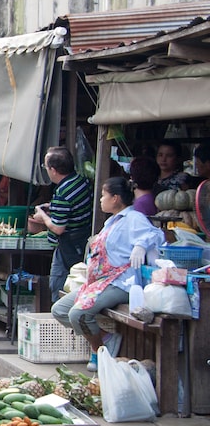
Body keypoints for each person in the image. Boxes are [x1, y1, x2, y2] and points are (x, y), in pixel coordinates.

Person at [51, 177, 163, 371]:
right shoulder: (112, 221)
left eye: (104, 195)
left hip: (121, 282)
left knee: (79, 314)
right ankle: (105, 337)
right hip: (99, 282)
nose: (101, 199)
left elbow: (156, 234)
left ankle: (99, 350)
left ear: (116, 198)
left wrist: (140, 245)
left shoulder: (134, 218)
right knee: (59, 310)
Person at [31, 146, 93, 303]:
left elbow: (58, 228)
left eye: (46, 167)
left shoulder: (62, 193)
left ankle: (59, 319)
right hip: (83, 240)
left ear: (53, 170)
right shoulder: (82, 181)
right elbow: (75, 206)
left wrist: (43, 216)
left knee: (59, 286)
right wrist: (52, 207)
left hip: (68, 245)